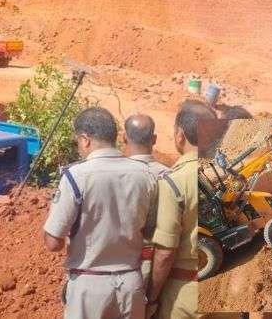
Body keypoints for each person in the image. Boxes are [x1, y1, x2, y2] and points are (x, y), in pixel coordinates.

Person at [43, 107, 157, 319]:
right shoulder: (145, 175)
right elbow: (150, 231)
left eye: (78, 141)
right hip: (131, 284)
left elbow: (53, 243)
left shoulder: (76, 176)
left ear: (85, 139)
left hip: (89, 287)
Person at [148, 99, 216, 319]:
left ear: (180, 135)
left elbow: (165, 253)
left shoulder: (173, 183)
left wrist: (151, 297)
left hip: (184, 294)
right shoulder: (222, 173)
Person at [123, 113, 170, 305]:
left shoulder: (113, 174)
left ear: (124, 138)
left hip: (115, 267)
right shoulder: (169, 176)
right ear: (155, 139)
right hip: (153, 268)